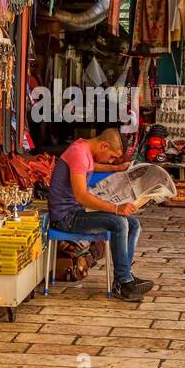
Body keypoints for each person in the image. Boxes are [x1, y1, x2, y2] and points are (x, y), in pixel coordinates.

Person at [46, 128, 153, 303]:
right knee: (119, 223)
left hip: (77, 211)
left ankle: (127, 276)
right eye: (112, 156)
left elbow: (92, 166)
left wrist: (117, 168)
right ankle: (122, 282)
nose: (111, 160)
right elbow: (81, 196)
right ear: (104, 146)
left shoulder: (84, 149)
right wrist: (115, 208)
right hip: (66, 217)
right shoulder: (79, 153)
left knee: (133, 224)